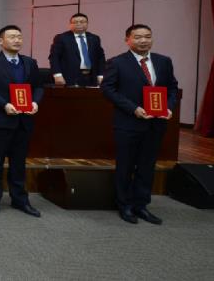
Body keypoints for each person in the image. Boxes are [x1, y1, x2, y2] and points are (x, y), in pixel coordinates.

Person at [101, 24, 178, 225]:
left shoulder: (164, 61)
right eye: (138, 37)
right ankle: (124, 205)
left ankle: (141, 205)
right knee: (125, 165)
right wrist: (133, 108)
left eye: (147, 36)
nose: (143, 40)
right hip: (128, 123)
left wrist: (169, 107)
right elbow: (108, 89)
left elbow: (172, 88)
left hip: (156, 124)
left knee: (147, 166)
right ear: (127, 40)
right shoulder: (117, 62)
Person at [0, 25, 44, 218]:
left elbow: (39, 86)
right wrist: (4, 104)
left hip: (24, 120)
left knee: (19, 163)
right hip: (0, 119)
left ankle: (20, 200)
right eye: (12, 37)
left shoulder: (29, 62)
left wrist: (35, 102)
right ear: (1, 41)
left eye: (19, 37)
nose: (17, 40)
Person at [48, 13, 106, 86]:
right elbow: (54, 57)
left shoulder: (94, 38)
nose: (79, 24)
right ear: (70, 25)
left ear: (87, 24)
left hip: (91, 77)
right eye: (75, 22)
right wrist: (57, 75)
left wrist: (101, 75)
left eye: (82, 22)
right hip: (70, 77)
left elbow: (100, 58)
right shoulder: (61, 38)